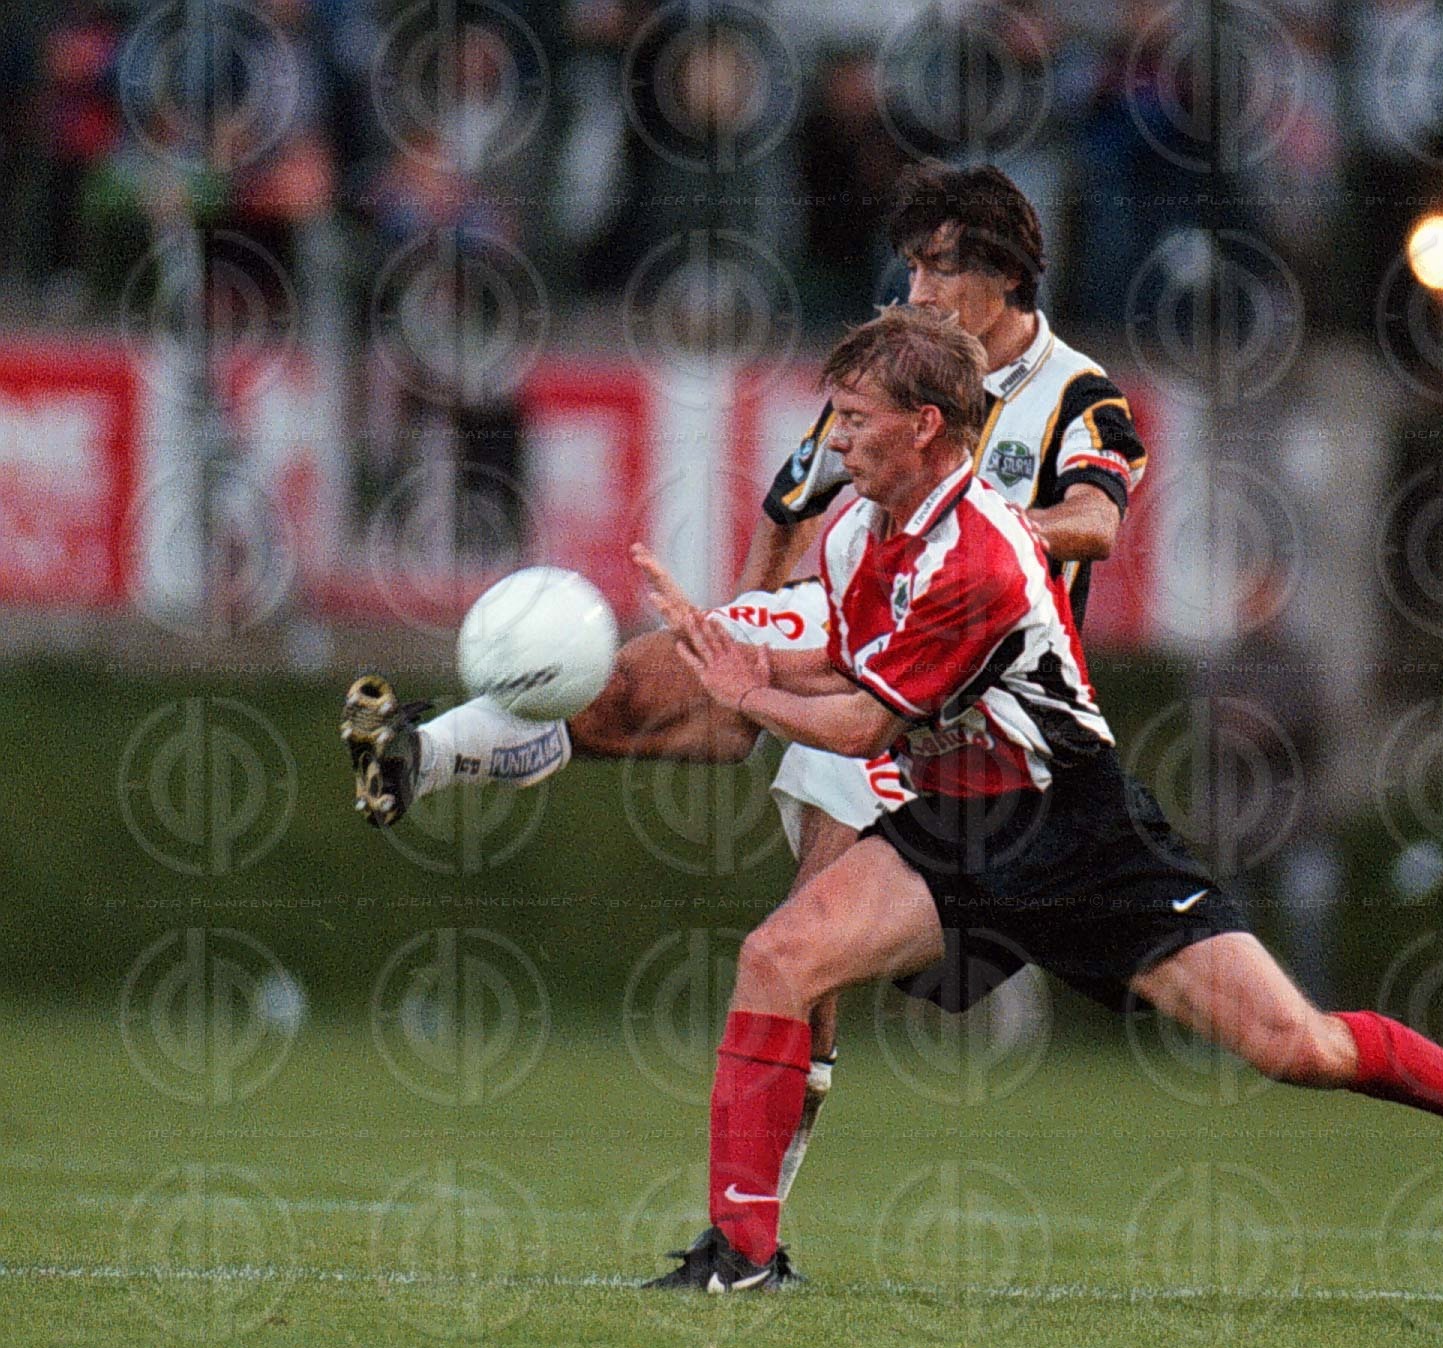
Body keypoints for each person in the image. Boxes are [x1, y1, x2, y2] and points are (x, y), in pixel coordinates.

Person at [634, 305, 1443, 1292]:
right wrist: (738, 647)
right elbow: (846, 655)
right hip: (956, 824)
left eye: (854, 417)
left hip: (1077, 832)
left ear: (924, 425)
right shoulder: (856, 530)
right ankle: (742, 1256)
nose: (835, 440)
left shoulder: (979, 554)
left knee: (1296, 1047)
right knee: (779, 958)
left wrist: (745, 693)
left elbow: (861, 726)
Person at [341, 163, 1146, 1266]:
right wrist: (735, 643)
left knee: (812, 945)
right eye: (910, 266)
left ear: (1005, 277)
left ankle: (753, 1231)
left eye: (940, 269)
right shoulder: (892, 369)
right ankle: (425, 751)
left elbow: (1096, 523)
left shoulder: (1079, 393)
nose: (916, 289)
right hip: (846, 631)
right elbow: (793, 505)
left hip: (959, 704)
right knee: (643, 684)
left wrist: (978, 527)